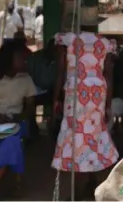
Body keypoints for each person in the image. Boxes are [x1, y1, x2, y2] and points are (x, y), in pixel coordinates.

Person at [51, 29, 119, 201]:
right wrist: (108, 104)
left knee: (76, 140)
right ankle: (92, 185)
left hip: (76, 94)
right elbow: (109, 75)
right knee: (94, 138)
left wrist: (55, 99)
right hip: (96, 95)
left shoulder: (66, 39)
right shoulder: (105, 42)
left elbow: (61, 71)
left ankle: (80, 191)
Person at [0, 41, 35, 200]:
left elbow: (30, 108)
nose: (24, 61)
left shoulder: (26, 79)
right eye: (21, 58)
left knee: (10, 145)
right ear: (8, 59)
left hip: (15, 121)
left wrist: (15, 118)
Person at [27, 39, 60, 138]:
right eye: (53, 49)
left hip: (51, 91)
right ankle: (32, 130)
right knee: (28, 102)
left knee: (60, 100)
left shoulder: (60, 60)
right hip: (34, 89)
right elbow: (28, 75)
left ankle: (55, 128)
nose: (54, 52)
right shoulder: (35, 57)